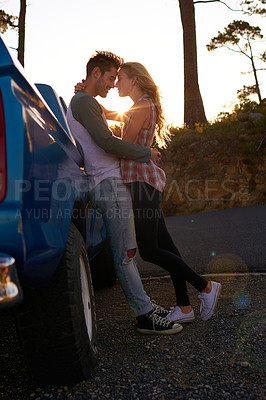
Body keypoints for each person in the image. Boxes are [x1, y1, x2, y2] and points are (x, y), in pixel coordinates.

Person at [75, 61, 221, 324]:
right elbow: (112, 117)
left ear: (135, 80)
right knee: (167, 246)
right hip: (144, 182)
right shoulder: (138, 106)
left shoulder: (141, 106)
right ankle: (185, 307)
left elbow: (120, 146)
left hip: (143, 183)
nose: (116, 83)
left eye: (120, 78)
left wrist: (145, 152)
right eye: (114, 78)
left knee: (150, 250)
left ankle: (206, 287)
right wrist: (88, 100)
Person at [67, 51, 182, 335]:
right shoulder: (83, 101)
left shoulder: (86, 101)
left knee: (127, 250)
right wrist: (146, 152)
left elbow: (106, 135)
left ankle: (144, 305)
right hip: (107, 184)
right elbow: (106, 142)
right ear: (95, 74)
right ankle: (144, 315)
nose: (112, 84)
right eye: (109, 78)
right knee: (125, 253)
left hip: (111, 182)